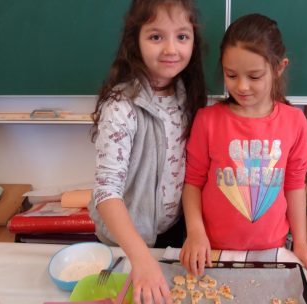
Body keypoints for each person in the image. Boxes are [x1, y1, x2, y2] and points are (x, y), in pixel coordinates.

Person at [179, 13, 307, 280]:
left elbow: (294, 184)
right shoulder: (207, 120)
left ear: (279, 68)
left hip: (271, 250)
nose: (241, 86)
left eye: (254, 76)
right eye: (231, 75)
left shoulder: (295, 122)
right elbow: (192, 183)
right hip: (212, 250)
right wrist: (196, 232)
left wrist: (300, 242)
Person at [89, 0, 207, 303]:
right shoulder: (121, 106)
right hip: (125, 243)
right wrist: (141, 259)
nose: (171, 48)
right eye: (156, 36)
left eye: (182, 36)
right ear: (135, 42)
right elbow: (106, 193)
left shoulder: (187, 96)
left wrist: (193, 229)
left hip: (170, 233)